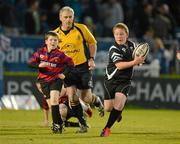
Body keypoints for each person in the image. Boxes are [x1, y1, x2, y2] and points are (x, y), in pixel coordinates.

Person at [53, 6, 104, 132]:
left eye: (70, 17)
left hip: (83, 67)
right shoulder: (55, 34)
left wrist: (91, 58)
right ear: (60, 18)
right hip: (67, 70)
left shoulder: (81, 28)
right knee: (72, 97)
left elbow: (92, 43)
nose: (68, 20)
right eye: (66, 17)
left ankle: (96, 101)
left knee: (86, 98)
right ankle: (83, 124)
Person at [100, 23, 145, 137]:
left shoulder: (133, 46)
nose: (119, 36)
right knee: (108, 108)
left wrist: (139, 62)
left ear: (127, 35)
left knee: (119, 104)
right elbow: (119, 66)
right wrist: (135, 62)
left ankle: (106, 129)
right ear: (114, 36)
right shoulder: (114, 48)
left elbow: (137, 61)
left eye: (121, 34)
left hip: (125, 80)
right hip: (111, 80)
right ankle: (117, 113)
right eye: (116, 34)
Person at [28, 31, 74, 133]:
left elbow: (71, 64)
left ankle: (56, 124)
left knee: (54, 101)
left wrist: (64, 74)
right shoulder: (40, 52)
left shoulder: (60, 54)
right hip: (43, 81)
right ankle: (60, 123)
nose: (53, 42)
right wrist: (38, 66)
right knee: (51, 105)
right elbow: (30, 63)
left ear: (58, 42)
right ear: (46, 41)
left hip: (55, 80)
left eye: (55, 40)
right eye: (51, 40)